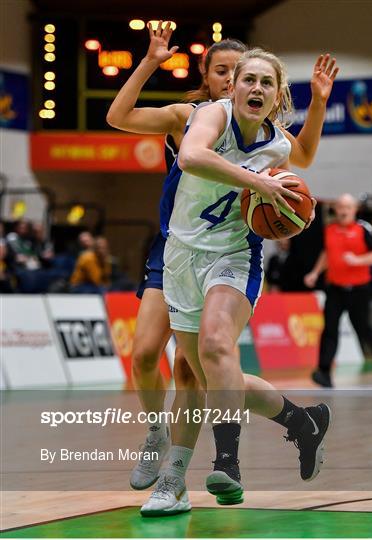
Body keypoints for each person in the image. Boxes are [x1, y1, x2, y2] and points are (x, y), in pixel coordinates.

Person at [151, 47, 338, 511]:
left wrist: (318, 102)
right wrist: (259, 183)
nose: (256, 88)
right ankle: (303, 422)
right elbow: (192, 157)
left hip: (234, 258)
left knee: (217, 347)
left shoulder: (277, 144)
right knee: (211, 374)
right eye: (248, 79)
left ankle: (227, 463)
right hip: (181, 257)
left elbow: (307, 154)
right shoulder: (210, 115)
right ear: (232, 86)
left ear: (277, 97)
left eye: (266, 83)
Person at [107, 23, 248, 498]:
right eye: (221, 71)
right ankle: (155, 432)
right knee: (145, 355)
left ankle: (177, 474)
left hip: (220, 258)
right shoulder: (185, 116)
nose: (230, 79)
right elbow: (117, 116)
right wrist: (150, 62)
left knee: (189, 370)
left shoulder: (260, 129)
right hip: (172, 249)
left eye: (238, 71)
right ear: (207, 77)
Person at [304, 193, 372, 388]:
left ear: (354, 210)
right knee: (330, 329)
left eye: (347, 208)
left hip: (359, 289)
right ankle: (324, 372)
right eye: (340, 207)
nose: (343, 211)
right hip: (335, 288)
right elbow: (327, 253)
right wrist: (315, 273)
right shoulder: (330, 229)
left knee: (361, 326)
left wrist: (358, 260)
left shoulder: (363, 229)